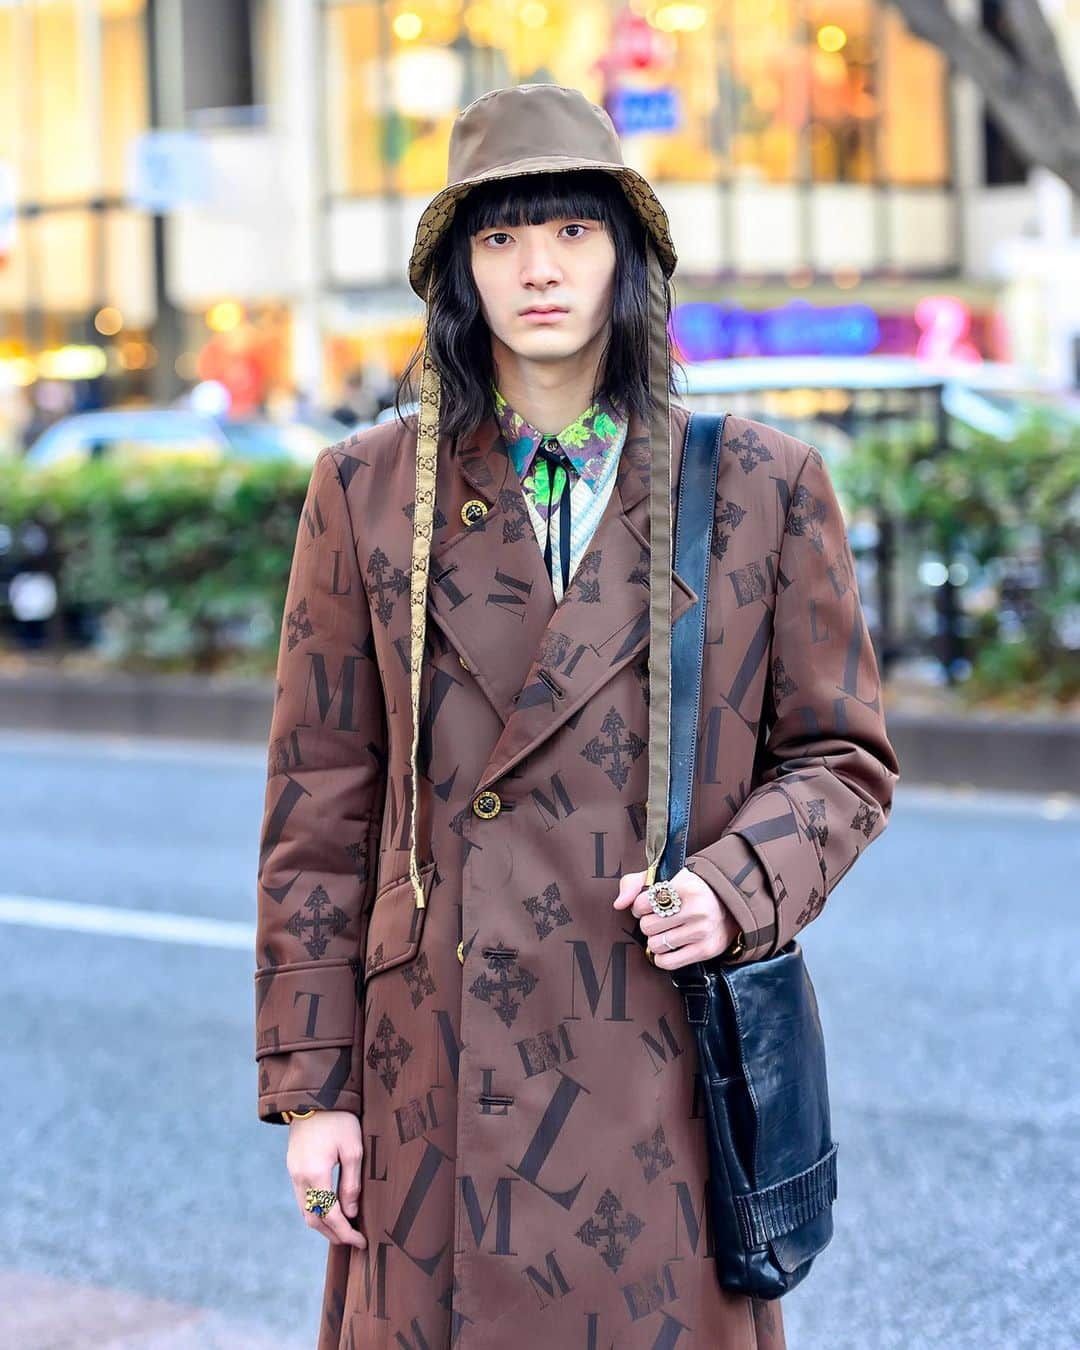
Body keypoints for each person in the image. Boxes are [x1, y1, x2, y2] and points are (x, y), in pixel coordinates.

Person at [254, 84, 899, 1350]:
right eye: (498, 239)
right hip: (433, 1064)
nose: (537, 270)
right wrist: (311, 1092)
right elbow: (316, 804)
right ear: (455, 273)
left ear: (628, 258)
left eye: (572, 233)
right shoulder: (367, 491)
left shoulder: (760, 486)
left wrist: (736, 883)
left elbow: (843, 758)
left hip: (657, 1042)